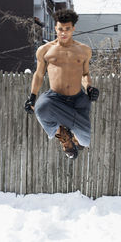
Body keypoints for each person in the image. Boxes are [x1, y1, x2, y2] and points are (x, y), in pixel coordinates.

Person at [25, 9, 99, 159]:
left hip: (78, 99)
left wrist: (89, 87)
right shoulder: (45, 50)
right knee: (41, 107)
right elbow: (39, 74)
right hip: (55, 97)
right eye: (60, 29)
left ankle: (77, 138)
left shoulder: (83, 50)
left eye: (67, 29)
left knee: (85, 141)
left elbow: (85, 74)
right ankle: (62, 134)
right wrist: (32, 96)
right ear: (55, 28)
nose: (63, 33)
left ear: (73, 29)